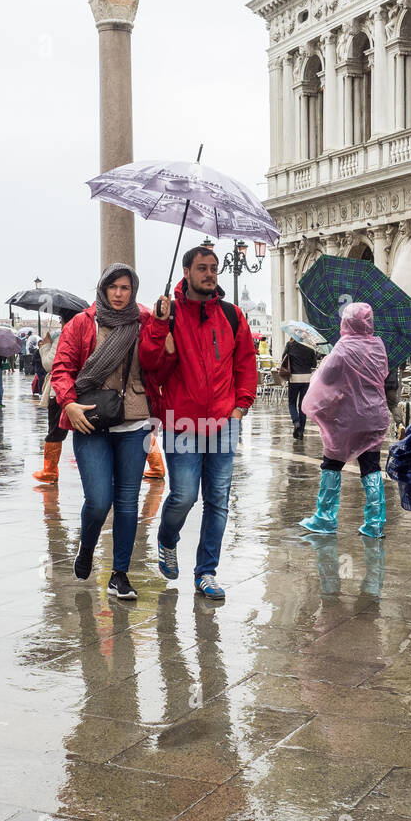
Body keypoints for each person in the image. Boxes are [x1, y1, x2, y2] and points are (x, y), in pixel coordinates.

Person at [139, 244, 258, 601]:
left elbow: (246, 364)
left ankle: (206, 572)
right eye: (202, 268)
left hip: (224, 421)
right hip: (181, 421)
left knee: (218, 500)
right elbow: (149, 363)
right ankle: (167, 537)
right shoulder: (169, 314)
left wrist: (240, 407)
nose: (210, 274)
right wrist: (160, 327)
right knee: (184, 495)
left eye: (214, 268)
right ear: (187, 272)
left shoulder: (232, 315)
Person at [51, 263, 157, 600]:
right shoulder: (83, 323)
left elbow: (159, 362)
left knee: (127, 502)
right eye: (113, 287)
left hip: (134, 420)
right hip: (91, 419)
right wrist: (68, 402)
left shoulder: (145, 322)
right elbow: (62, 368)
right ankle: (86, 547)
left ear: (133, 291)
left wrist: (164, 324)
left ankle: (119, 575)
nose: (119, 293)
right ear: (103, 287)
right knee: (99, 500)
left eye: (126, 288)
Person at [298, 303, 390, 537]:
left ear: (346, 323)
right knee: (370, 466)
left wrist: (324, 364)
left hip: (347, 419)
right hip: (375, 416)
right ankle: (375, 522)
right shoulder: (379, 345)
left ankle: (325, 518)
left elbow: (328, 377)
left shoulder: (343, 348)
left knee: (332, 463)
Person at [32, 312, 79, 485]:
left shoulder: (65, 336)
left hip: (60, 390)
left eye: (60, 319)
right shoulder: (85, 334)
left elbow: (49, 364)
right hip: (80, 390)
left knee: (55, 432)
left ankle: (50, 470)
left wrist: (45, 345)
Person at [280, 336, 318, 439]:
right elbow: (313, 364)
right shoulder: (310, 347)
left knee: (292, 403)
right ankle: (301, 432)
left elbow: (283, 358)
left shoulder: (290, 345)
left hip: (294, 378)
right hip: (306, 378)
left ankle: (296, 421)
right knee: (302, 405)